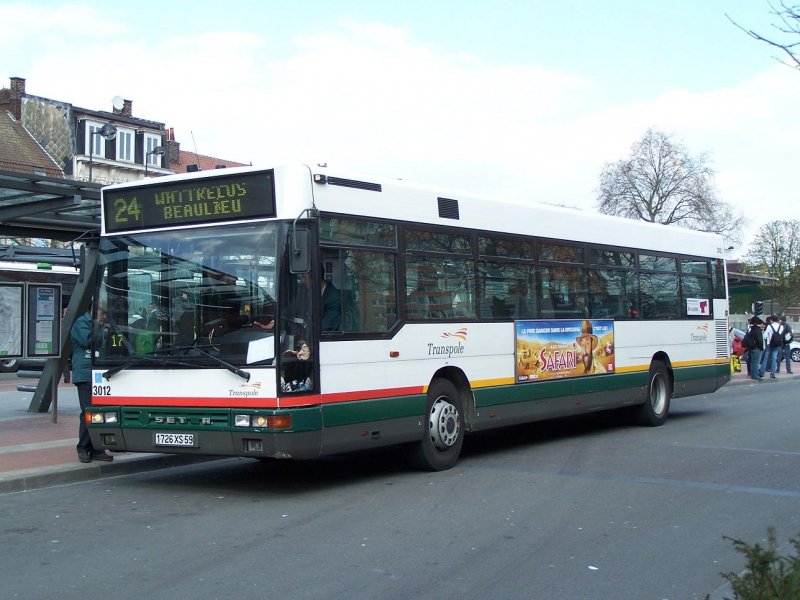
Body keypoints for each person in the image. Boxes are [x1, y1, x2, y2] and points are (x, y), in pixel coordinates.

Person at [71, 306, 113, 463]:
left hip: (99, 373)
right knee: (88, 412)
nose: (104, 316)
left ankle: (97, 448)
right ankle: (83, 448)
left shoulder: (98, 324)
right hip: (85, 374)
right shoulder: (81, 323)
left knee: (99, 412)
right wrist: (101, 327)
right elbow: (90, 341)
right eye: (103, 313)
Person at [744, 316, 764, 381]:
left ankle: (752, 374)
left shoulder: (751, 329)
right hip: (757, 348)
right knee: (756, 362)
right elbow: (759, 340)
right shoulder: (758, 330)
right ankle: (755, 376)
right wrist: (761, 347)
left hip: (751, 347)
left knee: (753, 362)